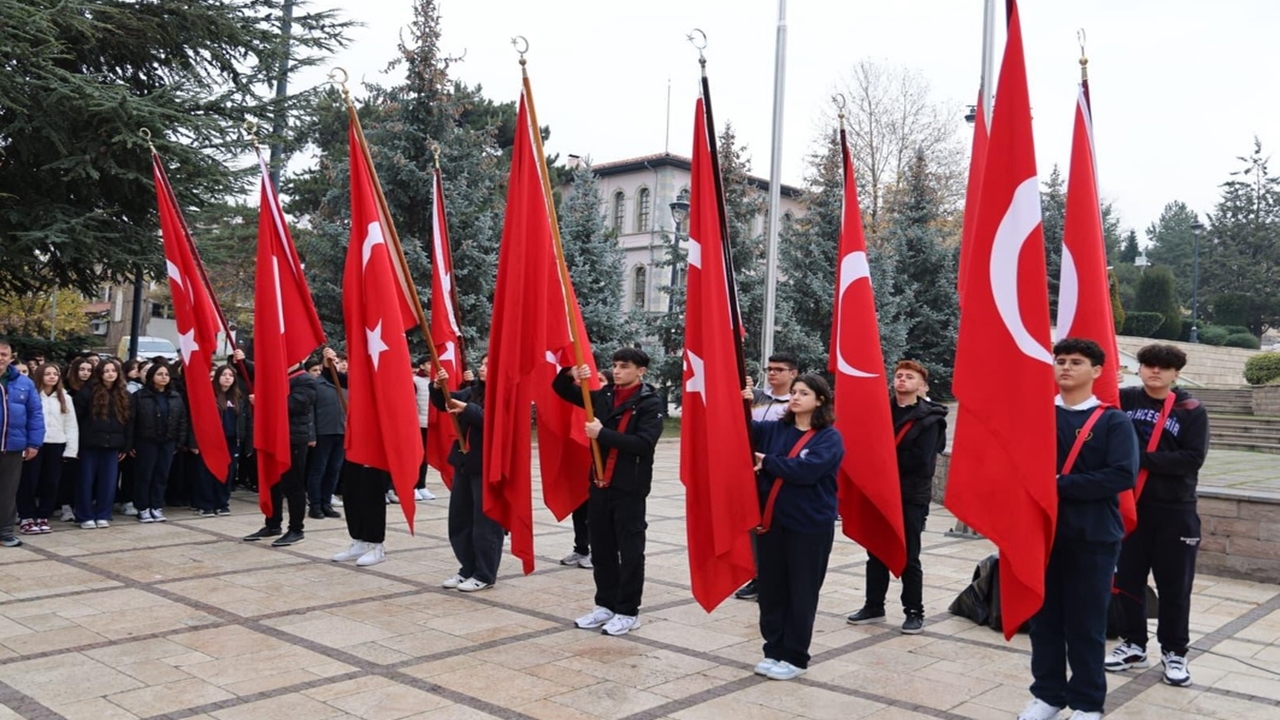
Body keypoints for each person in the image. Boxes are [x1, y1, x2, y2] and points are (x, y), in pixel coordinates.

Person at [1018, 339, 1138, 720]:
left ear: (1097, 371)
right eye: (1061, 361)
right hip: (1043, 536)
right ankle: (1048, 696)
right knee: (1045, 621)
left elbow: (1121, 474)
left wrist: (1056, 484)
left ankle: (1088, 703)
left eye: (1077, 362)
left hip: (1093, 538)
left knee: (1086, 624)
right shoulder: (1037, 415)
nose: (1066, 367)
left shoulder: (1112, 420)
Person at [1105, 343, 1210, 689]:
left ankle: (1175, 651)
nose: (1155, 371)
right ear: (1140, 368)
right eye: (1149, 365)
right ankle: (1134, 644)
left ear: (1175, 373)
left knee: (1174, 586)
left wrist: (1138, 460)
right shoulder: (1125, 399)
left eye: (1164, 367)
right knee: (1127, 581)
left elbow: (1192, 458)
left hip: (1174, 510)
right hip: (1130, 508)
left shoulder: (1191, 409)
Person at [555, 348, 664, 637]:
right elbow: (561, 390)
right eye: (615, 365)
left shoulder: (649, 403)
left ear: (640, 370)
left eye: (624, 366)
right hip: (600, 483)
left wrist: (602, 434)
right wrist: (570, 374)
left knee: (629, 551)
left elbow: (644, 443)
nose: (616, 371)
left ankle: (628, 611)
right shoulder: (603, 397)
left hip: (629, 486)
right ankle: (605, 604)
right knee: (601, 548)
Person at [748, 373, 844, 680]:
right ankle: (773, 649)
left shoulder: (828, 437)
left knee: (801, 592)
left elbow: (808, 471)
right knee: (772, 590)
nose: (795, 397)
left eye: (803, 393)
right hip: (772, 522)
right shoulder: (776, 429)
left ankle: (796, 655)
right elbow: (744, 431)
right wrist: (742, 402)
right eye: (794, 392)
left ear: (820, 400)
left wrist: (770, 463)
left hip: (809, 526)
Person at [846, 360, 948, 634]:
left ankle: (914, 611)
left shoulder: (931, 419)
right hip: (879, 493)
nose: (902, 380)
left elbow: (921, 462)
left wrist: (880, 463)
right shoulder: (881, 411)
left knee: (909, 554)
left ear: (922, 385)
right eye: (899, 376)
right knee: (875, 549)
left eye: (909, 377)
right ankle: (873, 605)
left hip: (909, 496)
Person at [423, 354, 503, 585]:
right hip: (464, 463)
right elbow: (447, 401)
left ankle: (484, 574)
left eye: (489, 364)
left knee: (485, 522)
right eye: (483, 363)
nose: (482, 367)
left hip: (487, 465)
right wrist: (438, 387)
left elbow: (494, 422)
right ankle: (467, 567)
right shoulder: (472, 391)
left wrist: (468, 409)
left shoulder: (503, 394)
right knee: (460, 519)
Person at [735, 351, 800, 602]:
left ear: (793, 374)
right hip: (750, 472)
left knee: (777, 530)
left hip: (778, 473)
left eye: (779, 369)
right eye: (769, 369)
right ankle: (757, 577)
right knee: (753, 526)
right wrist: (743, 402)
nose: (772, 373)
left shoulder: (795, 403)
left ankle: (776, 580)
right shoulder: (757, 397)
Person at [239, 348, 317, 547]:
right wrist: (242, 360)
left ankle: (296, 528)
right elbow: (256, 370)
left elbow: (294, 404)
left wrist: (263, 402)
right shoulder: (277, 376)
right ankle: (273, 524)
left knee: (293, 485)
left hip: (293, 439)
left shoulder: (305, 380)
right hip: (272, 437)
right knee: (272, 482)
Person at [561, 368, 613, 571]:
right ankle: (581, 548)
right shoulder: (588, 401)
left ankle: (598, 551)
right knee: (580, 509)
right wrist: (569, 373)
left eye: (600, 380)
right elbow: (562, 388)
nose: (594, 383)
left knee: (599, 513)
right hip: (584, 468)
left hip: (607, 472)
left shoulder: (611, 405)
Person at [18, 363, 78, 535]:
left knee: (51, 482)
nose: (52, 377)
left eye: (55, 374)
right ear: (39, 376)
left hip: (57, 443)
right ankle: (26, 517)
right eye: (48, 374)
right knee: (29, 482)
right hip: (35, 444)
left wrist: (71, 450)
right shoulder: (33, 395)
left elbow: (71, 425)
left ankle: (43, 516)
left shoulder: (65, 398)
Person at [73, 359, 131, 529]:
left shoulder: (124, 394)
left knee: (109, 482)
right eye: (106, 371)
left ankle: (103, 514)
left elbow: (129, 422)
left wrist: (126, 445)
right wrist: (75, 445)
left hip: (113, 445)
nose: (110, 374)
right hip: (89, 444)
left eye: (113, 370)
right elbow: (76, 419)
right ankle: (84, 515)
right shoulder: (87, 392)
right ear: (99, 373)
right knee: (85, 481)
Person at [129, 363, 189, 523]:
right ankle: (142, 507)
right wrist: (130, 444)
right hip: (146, 442)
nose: (164, 377)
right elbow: (131, 421)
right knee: (144, 476)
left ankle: (156, 505)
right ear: (151, 377)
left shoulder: (175, 396)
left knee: (161, 475)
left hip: (168, 442)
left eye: (166, 374)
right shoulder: (140, 396)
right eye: (159, 374)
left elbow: (182, 420)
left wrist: (179, 442)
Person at [0, 339, 44, 547]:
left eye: (4, 354)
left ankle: (5, 532)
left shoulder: (24, 383)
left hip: (13, 446)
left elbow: (35, 414)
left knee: (8, 491)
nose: (0, 358)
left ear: (11, 357)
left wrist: (34, 443)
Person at [193, 365, 249, 517]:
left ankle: (222, 503)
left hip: (232, 442)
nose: (227, 377)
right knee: (207, 472)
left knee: (228, 473)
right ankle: (205, 504)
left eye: (230, 375)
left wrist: (247, 443)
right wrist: (194, 442)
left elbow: (246, 421)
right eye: (224, 374)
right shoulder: (209, 396)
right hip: (211, 441)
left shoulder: (238, 398)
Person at [306, 351, 345, 520]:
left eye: (337, 361)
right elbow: (310, 412)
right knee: (318, 470)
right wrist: (311, 434)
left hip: (341, 432)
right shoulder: (316, 384)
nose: (335, 363)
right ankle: (315, 505)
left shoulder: (342, 383)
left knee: (334, 470)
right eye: (332, 361)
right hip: (323, 432)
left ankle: (326, 502)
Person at [411, 355, 438, 502]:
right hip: (418, 425)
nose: (432, 367)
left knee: (426, 458)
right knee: (417, 457)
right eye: (428, 364)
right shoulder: (415, 381)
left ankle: (422, 485)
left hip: (430, 424)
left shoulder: (434, 382)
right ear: (421, 366)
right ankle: (413, 486)